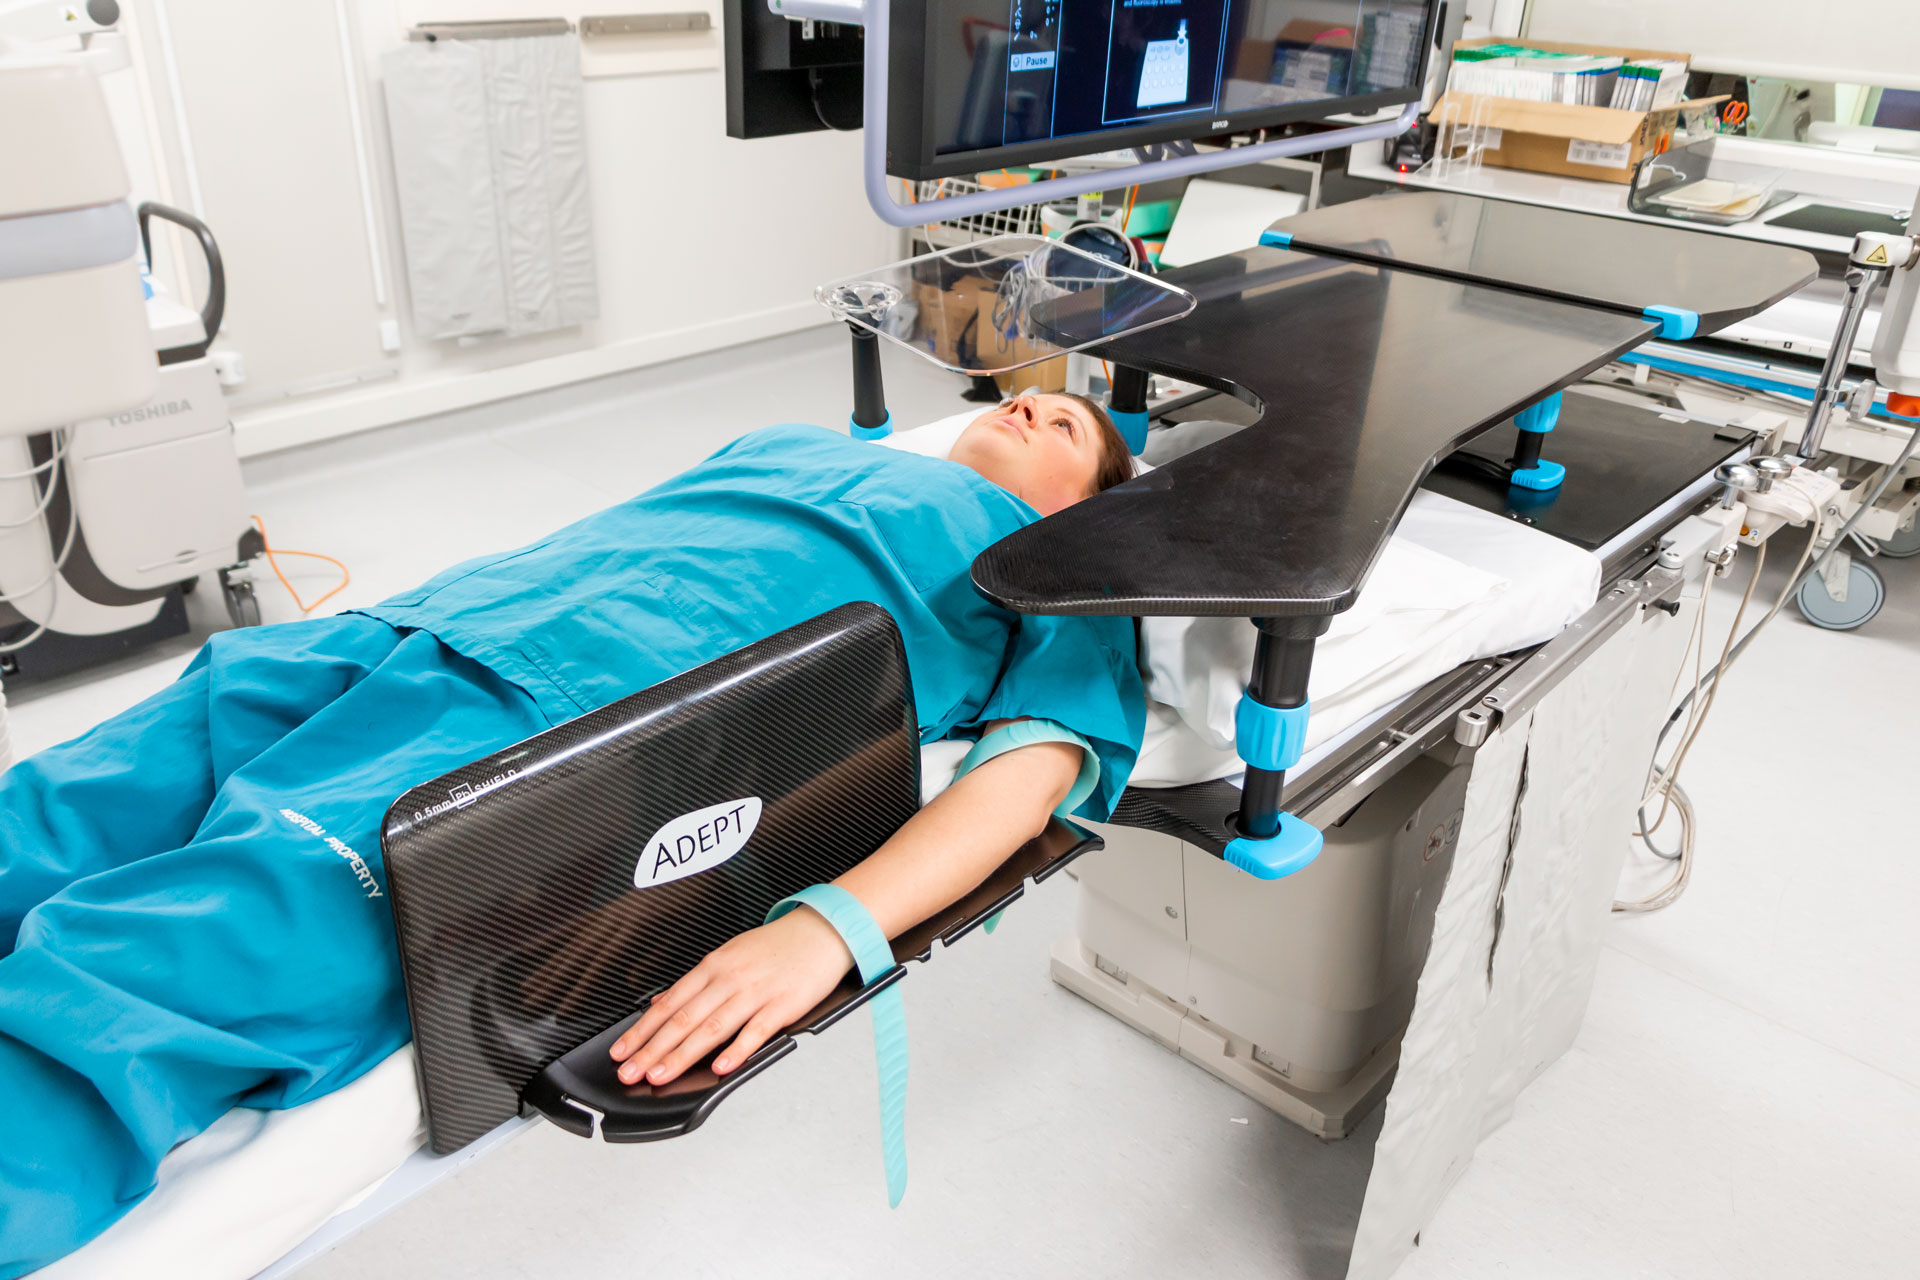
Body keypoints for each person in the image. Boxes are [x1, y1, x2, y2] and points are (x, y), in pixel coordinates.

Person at [0, 392, 1144, 1275]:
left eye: (1071, 429)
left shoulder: (1054, 569)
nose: (1034, 404)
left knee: (160, 966)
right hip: (396, 630)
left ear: (1086, 504)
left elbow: (1033, 768)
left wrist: (827, 928)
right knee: (41, 813)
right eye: (1036, 395)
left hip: (538, 726)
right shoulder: (794, 443)